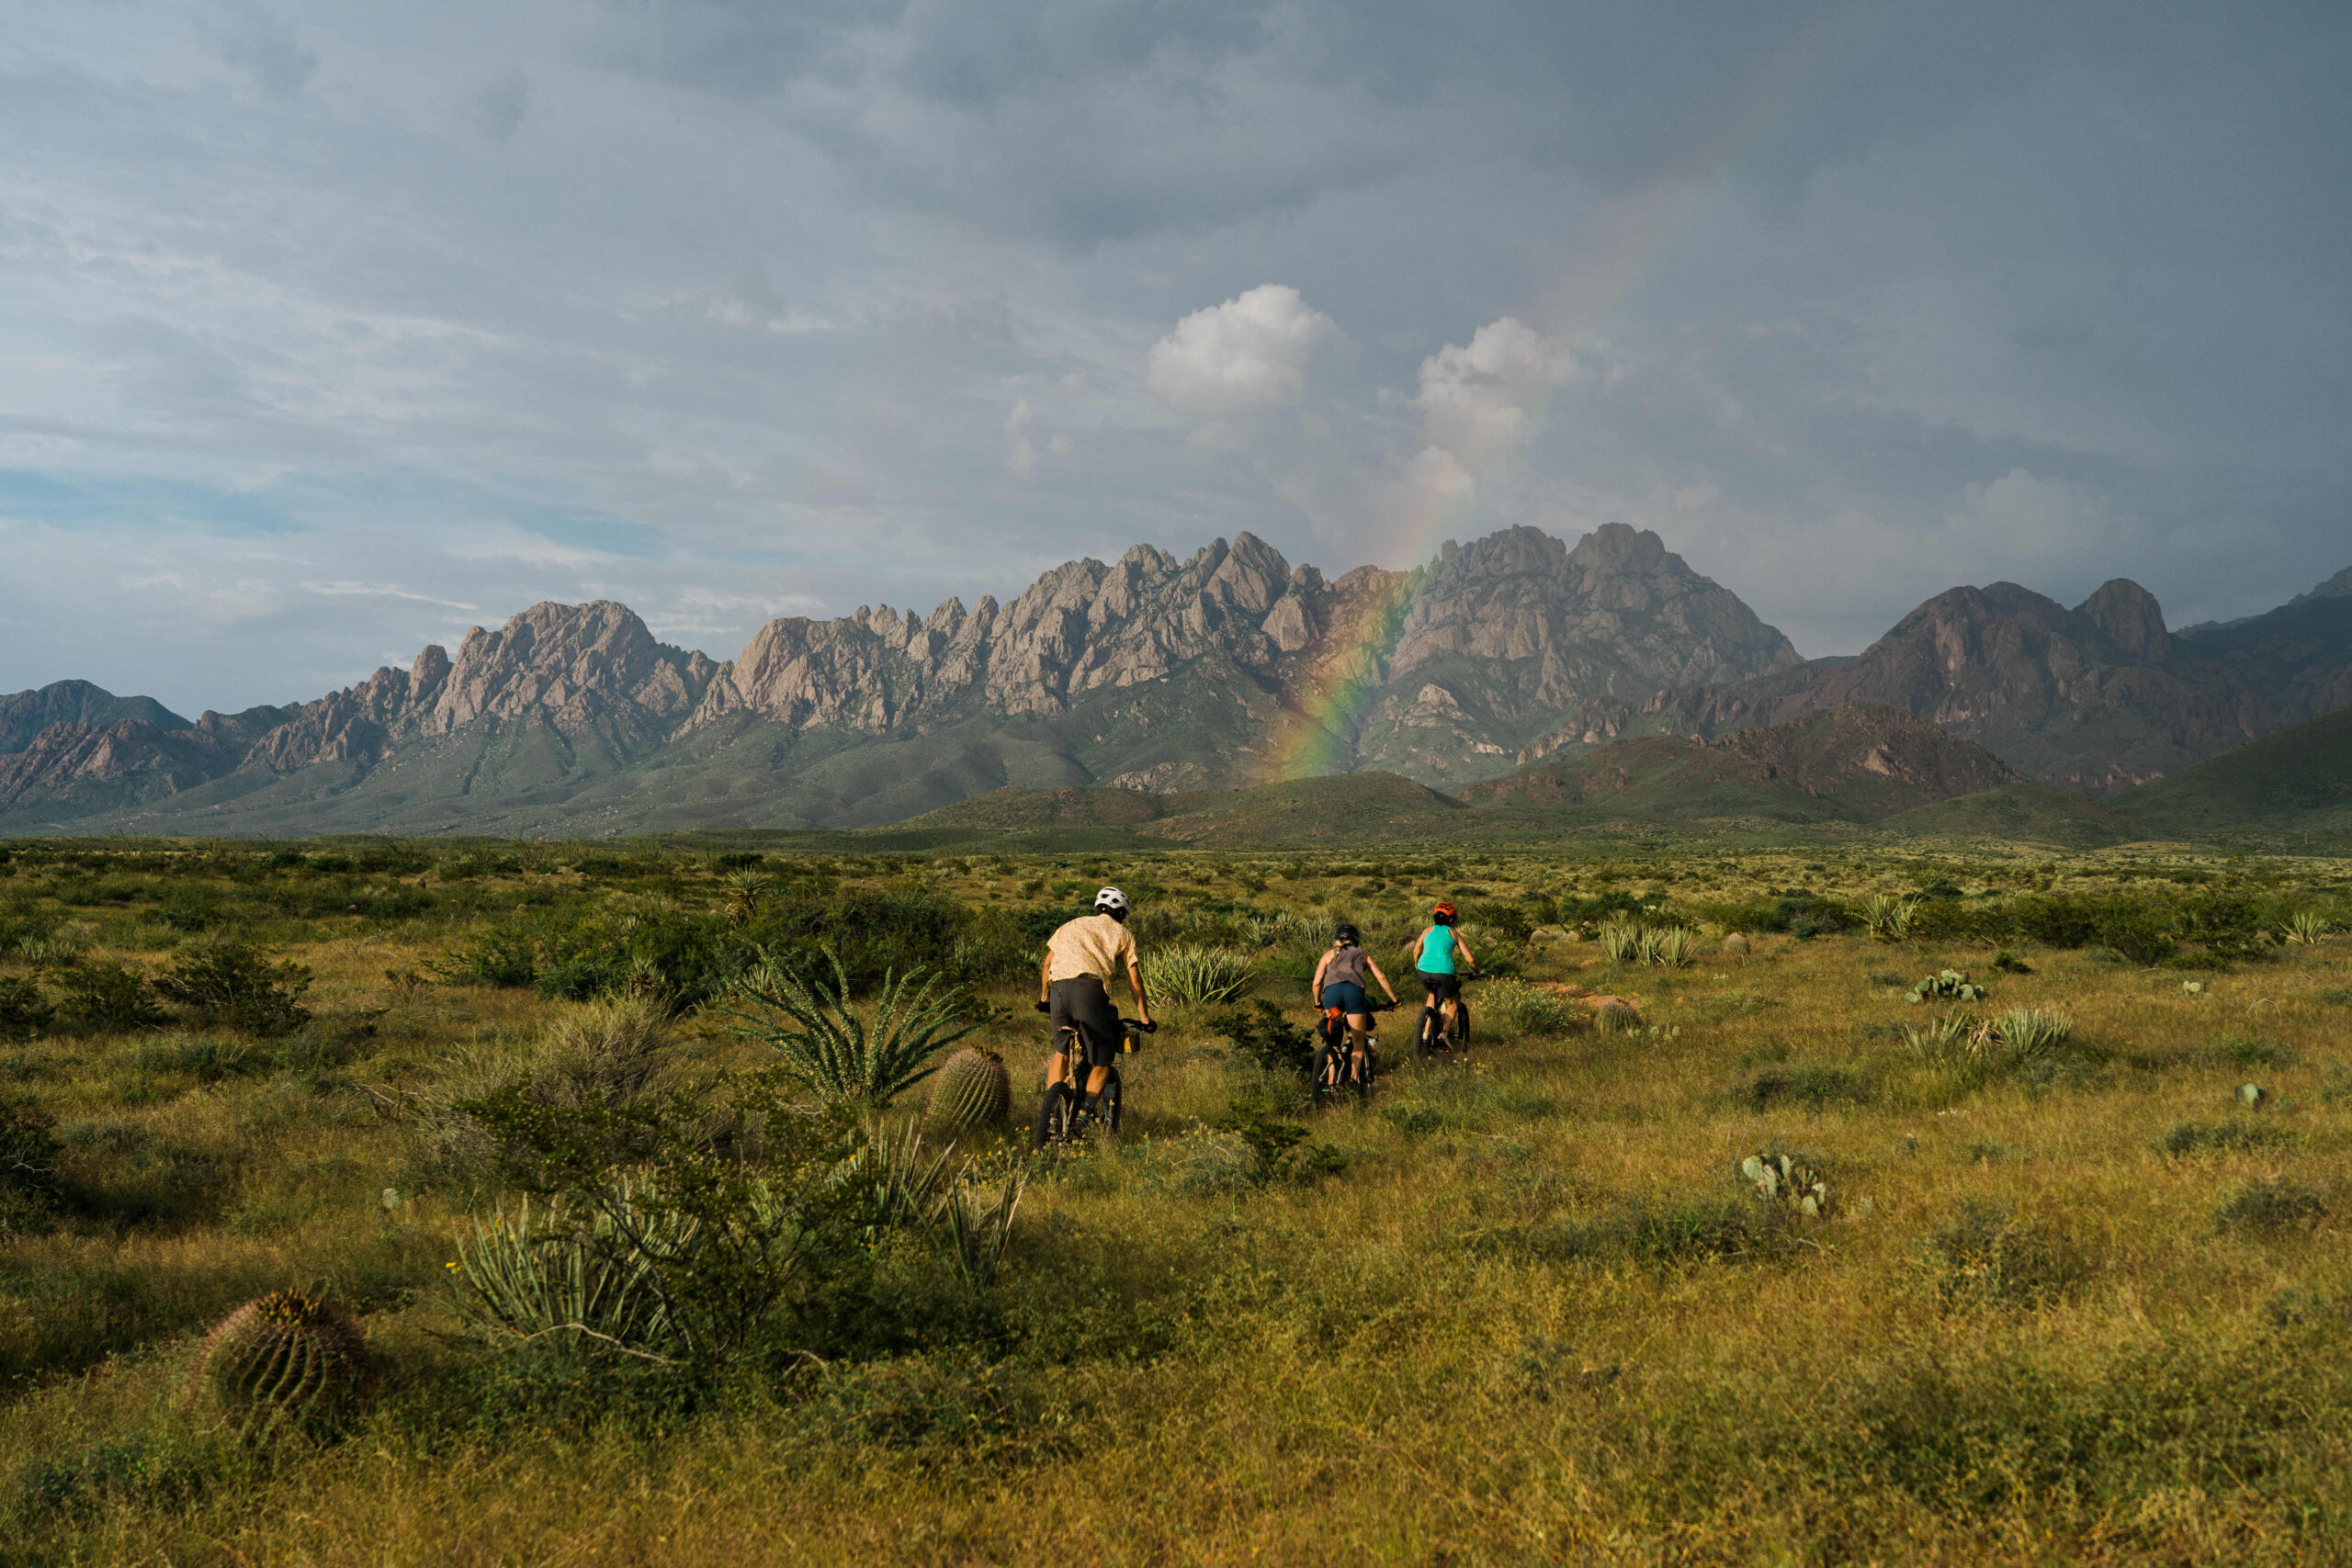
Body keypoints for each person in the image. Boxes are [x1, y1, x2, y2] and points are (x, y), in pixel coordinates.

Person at [1034, 886, 1153, 1142]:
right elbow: (1134, 980)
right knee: (1103, 1060)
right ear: (1121, 913)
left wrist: (1044, 998)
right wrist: (1144, 1018)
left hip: (1059, 990)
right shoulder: (1123, 933)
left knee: (1060, 1051)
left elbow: (1047, 963)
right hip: (1089, 990)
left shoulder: (1071, 925)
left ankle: (1053, 1114)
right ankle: (1084, 1116)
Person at [1309, 922, 1398, 1077]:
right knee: (1358, 1040)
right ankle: (1353, 1078)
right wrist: (1394, 1000)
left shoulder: (1328, 955)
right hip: (1353, 993)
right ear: (1356, 939)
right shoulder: (1361, 954)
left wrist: (1317, 1002)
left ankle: (1331, 1082)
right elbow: (1380, 976)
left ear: (1336, 939)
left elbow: (1316, 982)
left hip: (1331, 994)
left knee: (1333, 1043)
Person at [1408, 901, 1478, 1050]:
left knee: (1431, 998)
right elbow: (1470, 959)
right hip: (1444, 973)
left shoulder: (1427, 930)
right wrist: (1477, 971)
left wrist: (1417, 966)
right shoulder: (1453, 933)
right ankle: (1444, 1034)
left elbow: (1415, 951)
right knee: (1453, 1003)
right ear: (1451, 920)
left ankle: (1426, 1033)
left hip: (1423, 970)